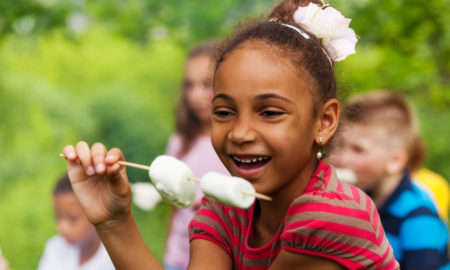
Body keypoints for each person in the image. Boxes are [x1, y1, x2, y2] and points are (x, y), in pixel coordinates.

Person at [61, 0, 399, 268]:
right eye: (223, 112)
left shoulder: (331, 219)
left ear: (324, 122)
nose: (239, 133)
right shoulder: (226, 210)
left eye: (269, 112)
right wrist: (112, 219)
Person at [328, 90, 449, 269]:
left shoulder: (418, 215)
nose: (339, 158)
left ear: (395, 161)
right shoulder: (357, 201)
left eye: (358, 150)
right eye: (338, 145)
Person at [163, 41, 229, 270]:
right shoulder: (179, 143)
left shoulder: (235, 145)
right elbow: (174, 209)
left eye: (206, 84)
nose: (195, 95)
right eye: (189, 85)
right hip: (177, 256)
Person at [38, 174, 115, 270]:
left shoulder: (114, 259)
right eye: (58, 218)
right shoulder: (54, 248)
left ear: (98, 212)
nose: (62, 228)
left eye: (72, 218)